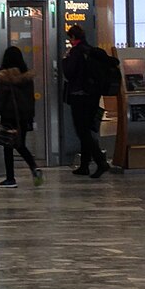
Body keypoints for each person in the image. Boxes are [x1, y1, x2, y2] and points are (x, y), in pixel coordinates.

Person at [62, 24, 110, 179]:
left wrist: (65, 59)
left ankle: (100, 162)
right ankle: (84, 165)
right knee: (86, 130)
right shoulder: (90, 50)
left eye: (70, 38)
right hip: (93, 96)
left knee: (82, 131)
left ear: (74, 38)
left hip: (79, 96)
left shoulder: (75, 52)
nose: (69, 41)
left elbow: (69, 73)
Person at [0, 46, 43, 188]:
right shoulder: (27, 78)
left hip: (9, 116)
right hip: (24, 117)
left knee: (8, 146)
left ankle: (10, 178)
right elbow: (31, 99)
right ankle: (34, 167)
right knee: (20, 144)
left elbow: (0, 99)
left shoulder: (5, 78)